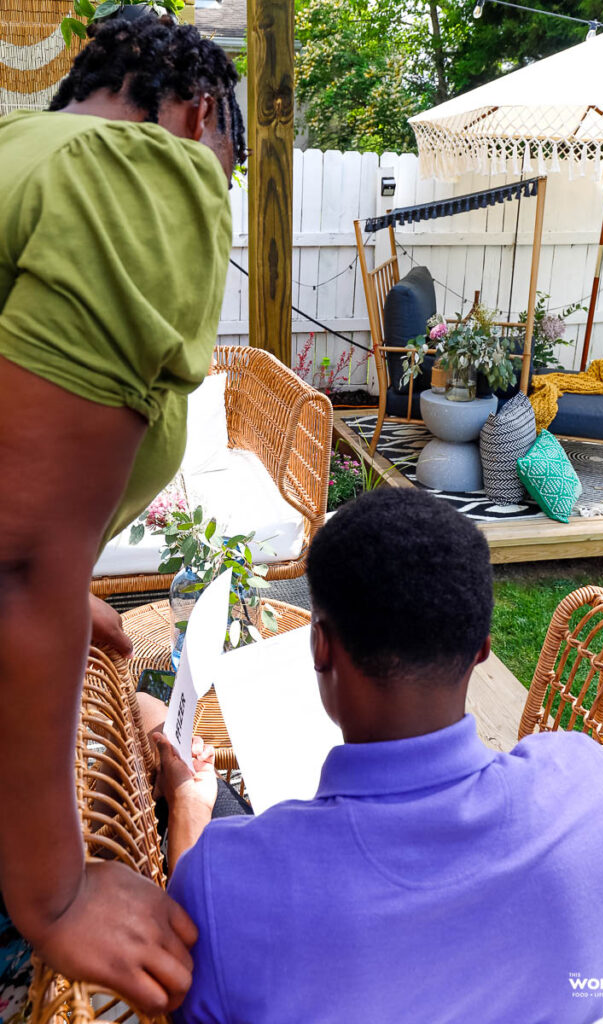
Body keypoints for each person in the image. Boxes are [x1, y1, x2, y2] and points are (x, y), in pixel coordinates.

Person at [157, 489, 603, 1024]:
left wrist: (187, 808)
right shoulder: (598, 795)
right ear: (481, 648)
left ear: (319, 646)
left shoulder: (224, 878)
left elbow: (197, 962)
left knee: (148, 709)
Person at [0, 13, 245, 1020]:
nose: (216, 195)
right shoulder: (139, 178)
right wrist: (56, 892)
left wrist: (74, 591)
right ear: (197, 116)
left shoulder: (23, 154)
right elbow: (14, 557)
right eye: (226, 167)